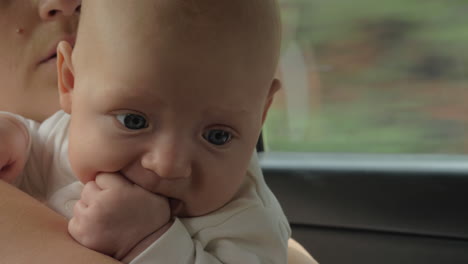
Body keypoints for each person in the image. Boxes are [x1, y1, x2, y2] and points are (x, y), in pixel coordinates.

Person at [0, 0, 317, 263]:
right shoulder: (71, 130)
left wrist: (150, 241)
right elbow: (43, 150)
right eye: (133, 121)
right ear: (70, 82)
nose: (169, 164)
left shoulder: (245, 222)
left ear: (260, 115)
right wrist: (17, 135)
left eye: (217, 136)